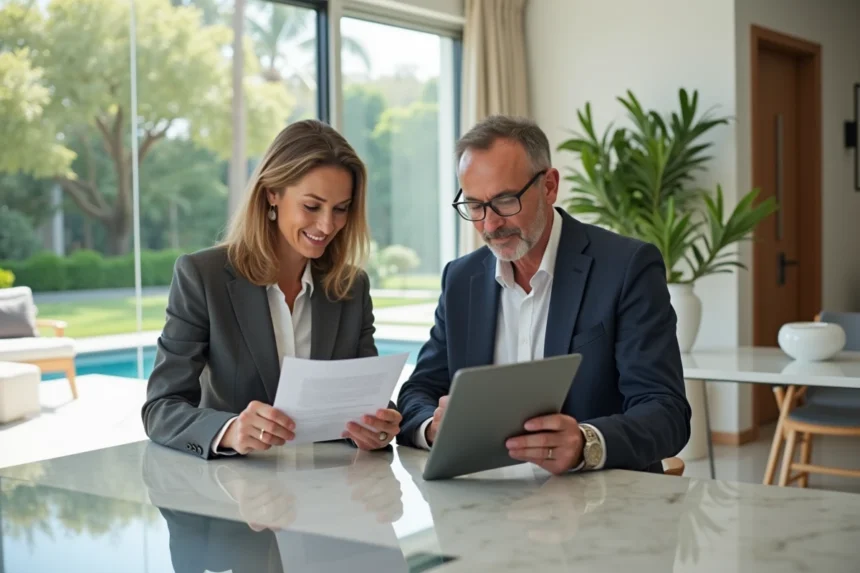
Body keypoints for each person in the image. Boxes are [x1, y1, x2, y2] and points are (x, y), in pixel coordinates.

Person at [396, 115, 691, 474]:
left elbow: (666, 412)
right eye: (474, 206)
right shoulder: (461, 279)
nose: (489, 225)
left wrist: (587, 443)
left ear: (549, 186)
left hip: (600, 505)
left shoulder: (626, 267)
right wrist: (433, 427)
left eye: (505, 201)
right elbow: (417, 393)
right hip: (480, 503)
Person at [142, 119, 402, 459]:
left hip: (329, 495)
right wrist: (229, 430)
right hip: (233, 495)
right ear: (272, 194)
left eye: (340, 209)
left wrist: (378, 426)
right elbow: (161, 409)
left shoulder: (350, 287)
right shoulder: (203, 277)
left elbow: (365, 397)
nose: (327, 225)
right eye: (312, 206)